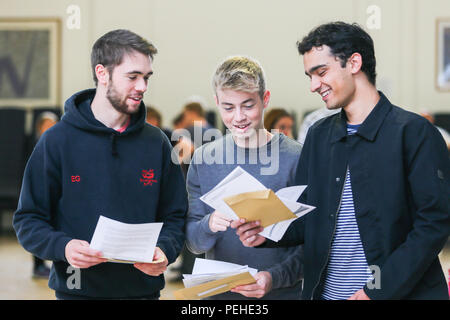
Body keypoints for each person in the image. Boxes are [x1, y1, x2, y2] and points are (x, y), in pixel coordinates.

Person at [234, 22, 450, 300]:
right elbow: (306, 216)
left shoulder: (415, 133)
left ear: (354, 63)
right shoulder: (319, 136)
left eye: (321, 72)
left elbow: (433, 225)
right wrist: (267, 232)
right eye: (309, 76)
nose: (313, 86)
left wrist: (377, 291)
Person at [13, 29, 187, 300]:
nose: (142, 87)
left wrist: (165, 249)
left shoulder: (158, 143)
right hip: (75, 291)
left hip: (142, 292)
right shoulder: (57, 141)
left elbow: (175, 216)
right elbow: (28, 220)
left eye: (146, 78)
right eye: (133, 77)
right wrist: (64, 247)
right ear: (102, 73)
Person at [185, 56, 304, 300]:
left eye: (248, 105)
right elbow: (193, 242)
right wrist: (208, 224)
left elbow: (313, 241)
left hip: (281, 294)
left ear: (265, 99)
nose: (238, 117)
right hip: (221, 295)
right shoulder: (203, 159)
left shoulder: (297, 158)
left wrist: (273, 278)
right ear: (217, 103)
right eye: (228, 107)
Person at [30, 111, 60, 279]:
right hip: (39, 194)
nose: (49, 128)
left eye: (52, 125)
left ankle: (53, 265)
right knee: (39, 227)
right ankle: (38, 265)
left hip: (54, 193)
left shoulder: (60, 145)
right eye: (46, 125)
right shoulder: (34, 145)